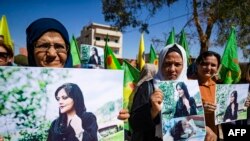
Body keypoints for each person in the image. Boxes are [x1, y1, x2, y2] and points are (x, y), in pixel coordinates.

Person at [129, 43, 188, 141]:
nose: (172, 69)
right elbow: (134, 124)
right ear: (160, 64)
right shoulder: (148, 86)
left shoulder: (189, 89)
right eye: (168, 64)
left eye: (177, 64)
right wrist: (153, 111)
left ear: (184, 65)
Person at [195, 51, 221, 140]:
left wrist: (243, 104)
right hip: (194, 136)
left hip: (213, 135)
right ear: (197, 65)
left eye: (213, 65)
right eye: (204, 64)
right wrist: (199, 109)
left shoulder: (218, 87)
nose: (209, 68)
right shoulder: (187, 85)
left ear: (217, 68)